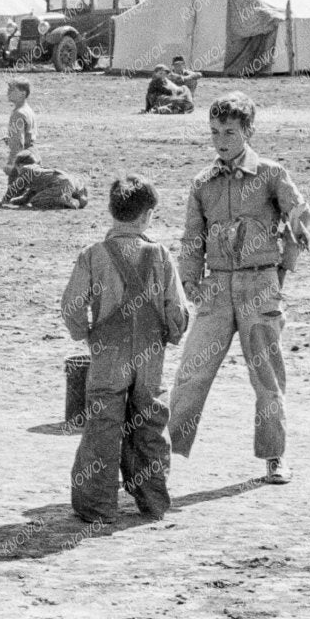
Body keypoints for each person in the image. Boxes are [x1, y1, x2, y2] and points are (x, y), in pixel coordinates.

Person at [166, 91, 310, 485]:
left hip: (260, 286)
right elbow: (191, 239)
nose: (221, 140)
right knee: (191, 370)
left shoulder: (271, 174)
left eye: (229, 131)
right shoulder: (203, 183)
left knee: (266, 376)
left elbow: (300, 221)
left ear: (247, 130)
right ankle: (160, 456)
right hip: (216, 288)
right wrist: (189, 281)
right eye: (214, 132)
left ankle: (274, 457)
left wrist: (284, 268)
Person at [61, 174, 190, 524]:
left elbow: (72, 306)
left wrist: (84, 334)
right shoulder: (161, 255)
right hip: (149, 356)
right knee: (148, 422)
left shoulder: (93, 255)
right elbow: (177, 311)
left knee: (103, 426)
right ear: (147, 215)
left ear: (111, 211)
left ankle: (98, 506)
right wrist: (172, 335)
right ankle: (153, 502)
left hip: (108, 353)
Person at [0, 153, 89, 210]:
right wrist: (13, 202)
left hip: (59, 184)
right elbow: (27, 197)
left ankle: (65, 201)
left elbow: (15, 188)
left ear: (19, 165)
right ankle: (79, 198)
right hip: (70, 181)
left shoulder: (27, 169)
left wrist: (4, 200)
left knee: (36, 201)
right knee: (36, 197)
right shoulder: (38, 172)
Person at [3, 79, 37, 182]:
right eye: (9, 89)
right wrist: (10, 139)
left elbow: (18, 143)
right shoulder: (28, 110)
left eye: (13, 89)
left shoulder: (18, 113)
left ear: (23, 94)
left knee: (13, 196)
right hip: (32, 156)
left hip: (22, 161)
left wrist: (12, 164)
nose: (8, 92)